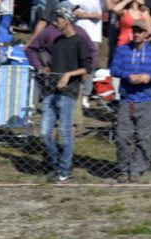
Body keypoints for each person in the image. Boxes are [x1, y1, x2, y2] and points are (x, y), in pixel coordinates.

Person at [39, 3, 91, 183]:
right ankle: (55, 165)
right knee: (45, 133)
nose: (55, 22)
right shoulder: (57, 42)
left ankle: (64, 169)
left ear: (67, 20)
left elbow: (87, 68)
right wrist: (47, 70)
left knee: (65, 132)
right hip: (51, 91)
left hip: (68, 94)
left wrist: (68, 75)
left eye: (59, 19)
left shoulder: (80, 42)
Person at [109, 19, 151, 183]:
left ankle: (136, 169)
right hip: (126, 100)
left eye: (140, 31)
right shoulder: (122, 50)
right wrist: (128, 76)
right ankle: (123, 168)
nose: (136, 34)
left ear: (146, 34)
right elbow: (113, 69)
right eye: (134, 30)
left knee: (144, 137)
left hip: (145, 100)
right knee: (122, 137)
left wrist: (150, 76)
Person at [71, 0, 102, 108]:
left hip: (94, 36)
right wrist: (91, 15)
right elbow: (72, 11)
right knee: (76, 63)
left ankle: (85, 95)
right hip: (78, 33)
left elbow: (105, 13)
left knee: (91, 66)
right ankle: (75, 92)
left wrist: (85, 14)